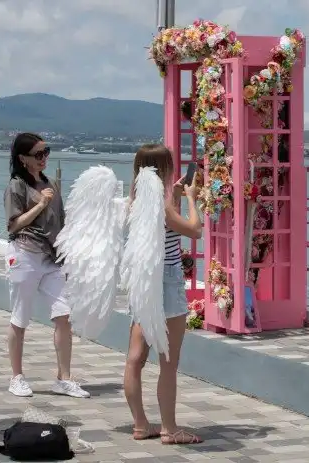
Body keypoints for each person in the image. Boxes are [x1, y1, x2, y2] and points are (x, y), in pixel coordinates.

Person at [124, 144, 204, 444]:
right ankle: (170, 429)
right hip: (167, 281)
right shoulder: (161, 204)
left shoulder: (135, 201)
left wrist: (175, 196)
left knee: (135, 358)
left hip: (143, 282)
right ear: (164, 168)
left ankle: (140, 425)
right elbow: (195, 230)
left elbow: (164, 224)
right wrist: (192, 199)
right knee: (168, 362)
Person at [3, 132, 89, 399]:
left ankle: (64, 378)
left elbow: (60, 221)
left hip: (52, 258)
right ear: (23, 158)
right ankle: (16, 377)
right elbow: (13, 225)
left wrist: (69, 251)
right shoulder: (17, 186)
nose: (44, 158)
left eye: (46, 151)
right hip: (25, 254)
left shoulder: (51, 183)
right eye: (38, 154)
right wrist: (41, 204)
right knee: (20, 317)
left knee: (64, 315)